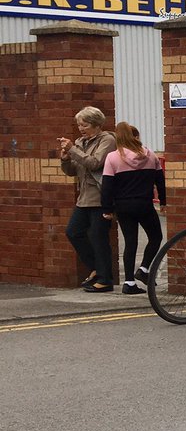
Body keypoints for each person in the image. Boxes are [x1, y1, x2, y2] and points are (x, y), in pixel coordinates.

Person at [100, 122, 165, 295]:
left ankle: (129, 283)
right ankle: (143, 269)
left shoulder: (113, 158)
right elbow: (160, 181)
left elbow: (107, 186)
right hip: (144, 205)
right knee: (156, 236)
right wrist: (163, 201)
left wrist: (107, 209)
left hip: (123, 206)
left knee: (130, 242)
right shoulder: (150, 155)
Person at [59, 106, 117, 292]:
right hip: (84, 198)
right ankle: (95, 269)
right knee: (73, 232)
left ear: (96, 124)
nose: (81, 129)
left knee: (98, 237)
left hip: (101, 197)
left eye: (84, 125)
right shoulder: (80, 142)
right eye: (79, 125)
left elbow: (94, 163)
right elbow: (73, 171)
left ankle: (105, 279)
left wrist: (73, 150)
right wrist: (66, 159)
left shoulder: (107, 140)